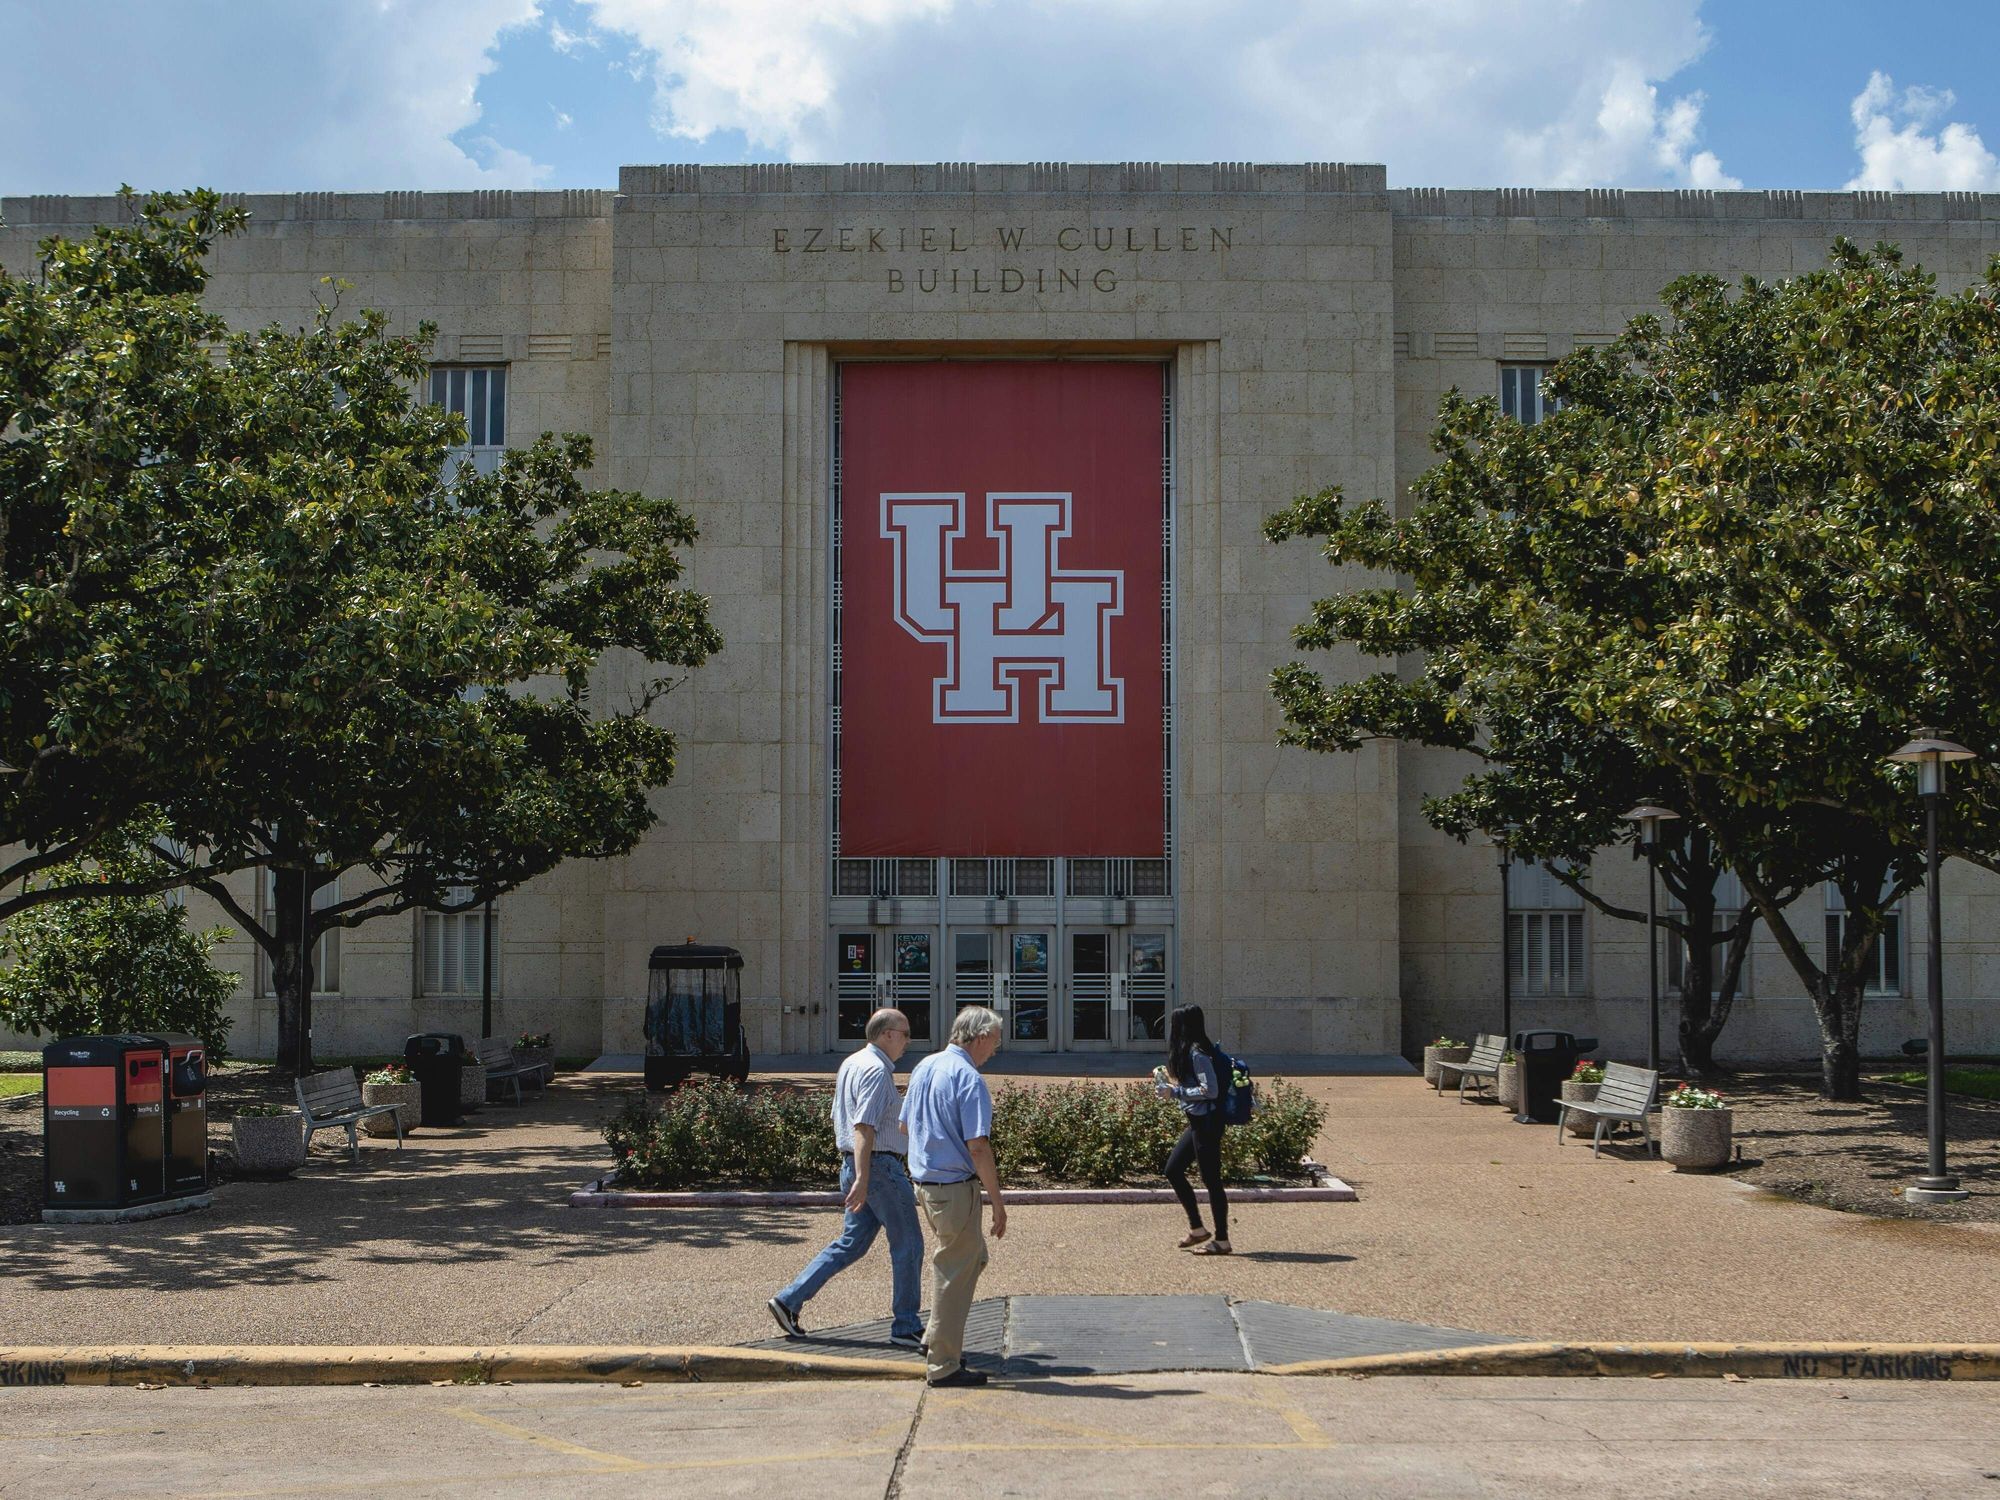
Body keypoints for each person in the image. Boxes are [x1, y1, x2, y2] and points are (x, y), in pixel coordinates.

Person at [767, 1008, 924, 1348]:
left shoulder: (852, 1063)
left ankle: (788, 1300)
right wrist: (865, 1179)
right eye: (905, 1033)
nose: (908, 1040)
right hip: (877, 1169)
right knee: (909, 1244)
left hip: (858, 1167)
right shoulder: (875, 1070)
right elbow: (863, 1126)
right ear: (886, 1035)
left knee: (850, 1244)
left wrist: (859, 1174)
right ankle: (906, 1326)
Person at [900, 1004, 1006, 1387]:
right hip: (954, 1188)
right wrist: (997, 1200)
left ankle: (933, 1338)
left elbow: (904, 1124)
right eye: (994, 1042)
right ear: (978, 1038)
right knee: (955, 1271)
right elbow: (978, 1145)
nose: (995, 1050)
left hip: (927, 1185)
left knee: (969, 1258)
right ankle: (943, 1363)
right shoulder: (969, 1078)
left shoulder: (925, 1066)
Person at [1154, 1003, 1231, 1254]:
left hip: (1207, 1124)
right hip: (1198, 1122)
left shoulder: (1198, 1054)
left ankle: (1221, 1240)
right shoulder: (1193, 1051)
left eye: (1174, 1023)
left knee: (1211, 1181)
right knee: (1173, 1170)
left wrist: (1175, 1092)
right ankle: (1198, 1229)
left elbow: (1211, 1090)